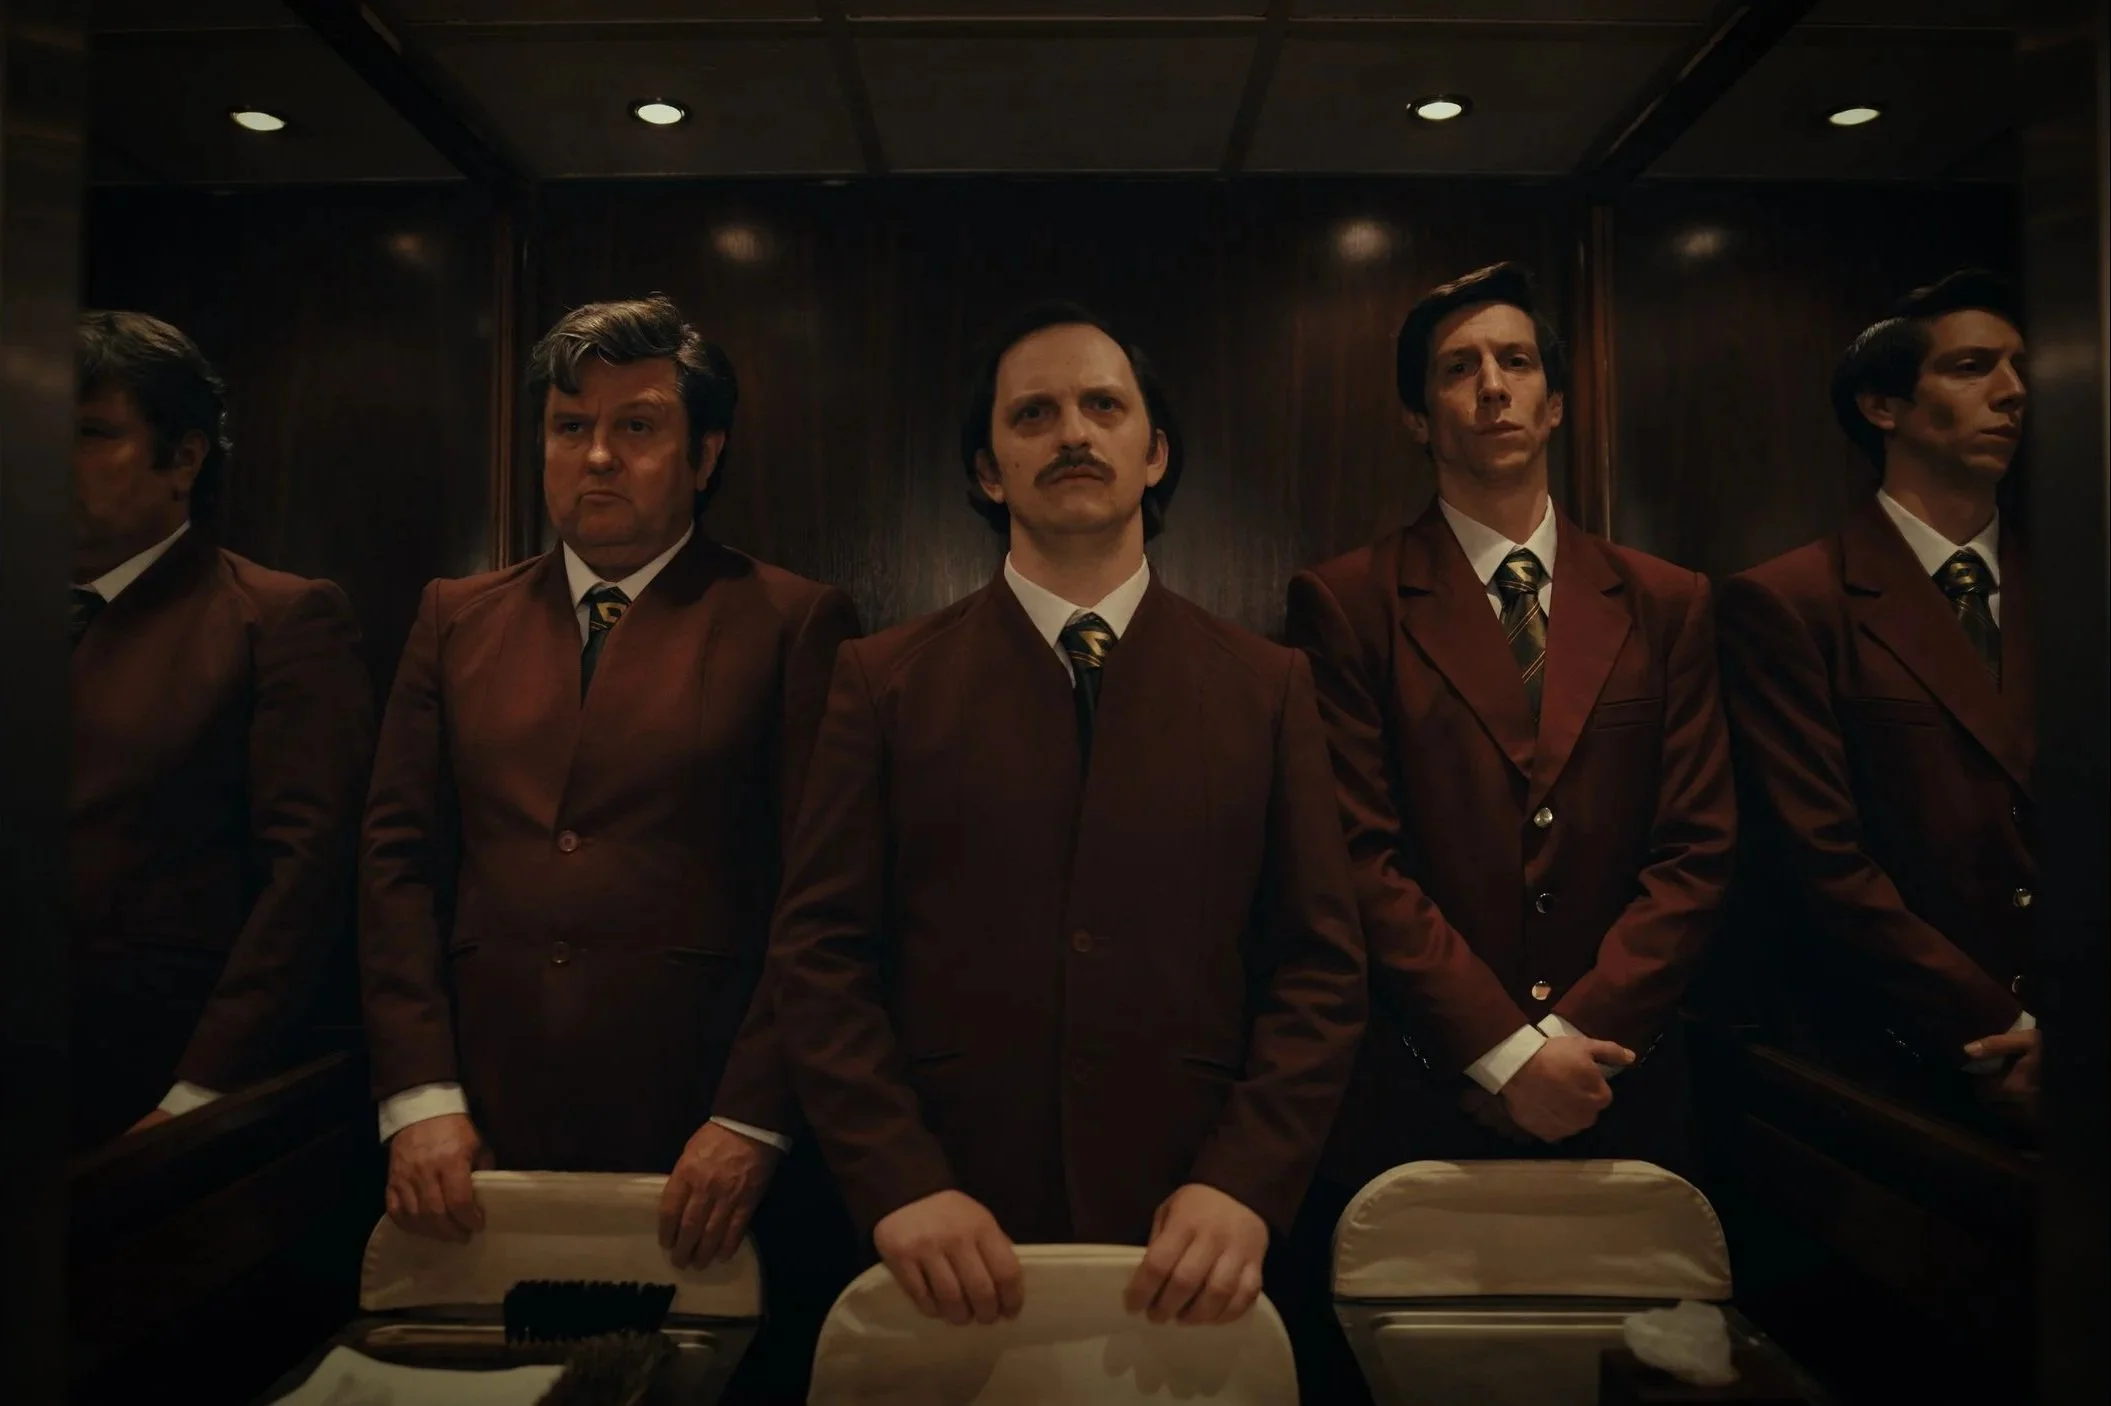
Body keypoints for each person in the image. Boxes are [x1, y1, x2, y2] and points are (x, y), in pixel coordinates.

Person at [767, 301, 1366, 1332]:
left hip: (1193, 1220)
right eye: (1032, 414)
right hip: (946, 1213)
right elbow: (820, 954)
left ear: (1154, 453)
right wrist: (898, 1178)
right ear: (987, 471)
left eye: (1102, 405)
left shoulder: (1265, 686)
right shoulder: (881, 681)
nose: (1073, 433)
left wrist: (1247, 1179)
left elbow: (1318, 962)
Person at [358, 294, 860, 1398]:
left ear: (704, 450)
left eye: (636, 426)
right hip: (477, 1125)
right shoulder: (456, 616)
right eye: (566, 424)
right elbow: (397, 864)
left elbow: (821, 895)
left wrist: (751, 1115)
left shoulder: (790, 620)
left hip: (699, 1133)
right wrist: (418, 1095)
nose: (594, 455)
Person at [1288, 260, 1735, 1179]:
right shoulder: (1346, 601)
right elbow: (1354, 855)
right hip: (1428, 1087)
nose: (1492, 386)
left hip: (1622, 1076)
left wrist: (1575, 1037)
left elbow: (1695, 848)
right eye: (1458, 368)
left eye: (1517, 362)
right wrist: (1503, 1052)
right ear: (1417, 418)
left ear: (1557, 403)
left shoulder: (1665, 600)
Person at [1718, 270, 2037, 1126]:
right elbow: (1818, 859)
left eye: (2017, 367)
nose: (2011, 393)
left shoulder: (2082, 589)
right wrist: (1997, 1025)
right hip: (1896, 1066)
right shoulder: (1792, 600)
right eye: (1972, 367)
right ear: (1881, 405)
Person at [70, 309, 373, 1148]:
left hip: (149, 1080)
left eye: (93, 432)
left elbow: (307, 878)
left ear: (185, 458)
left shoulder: (274, 618)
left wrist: (205, 1087)